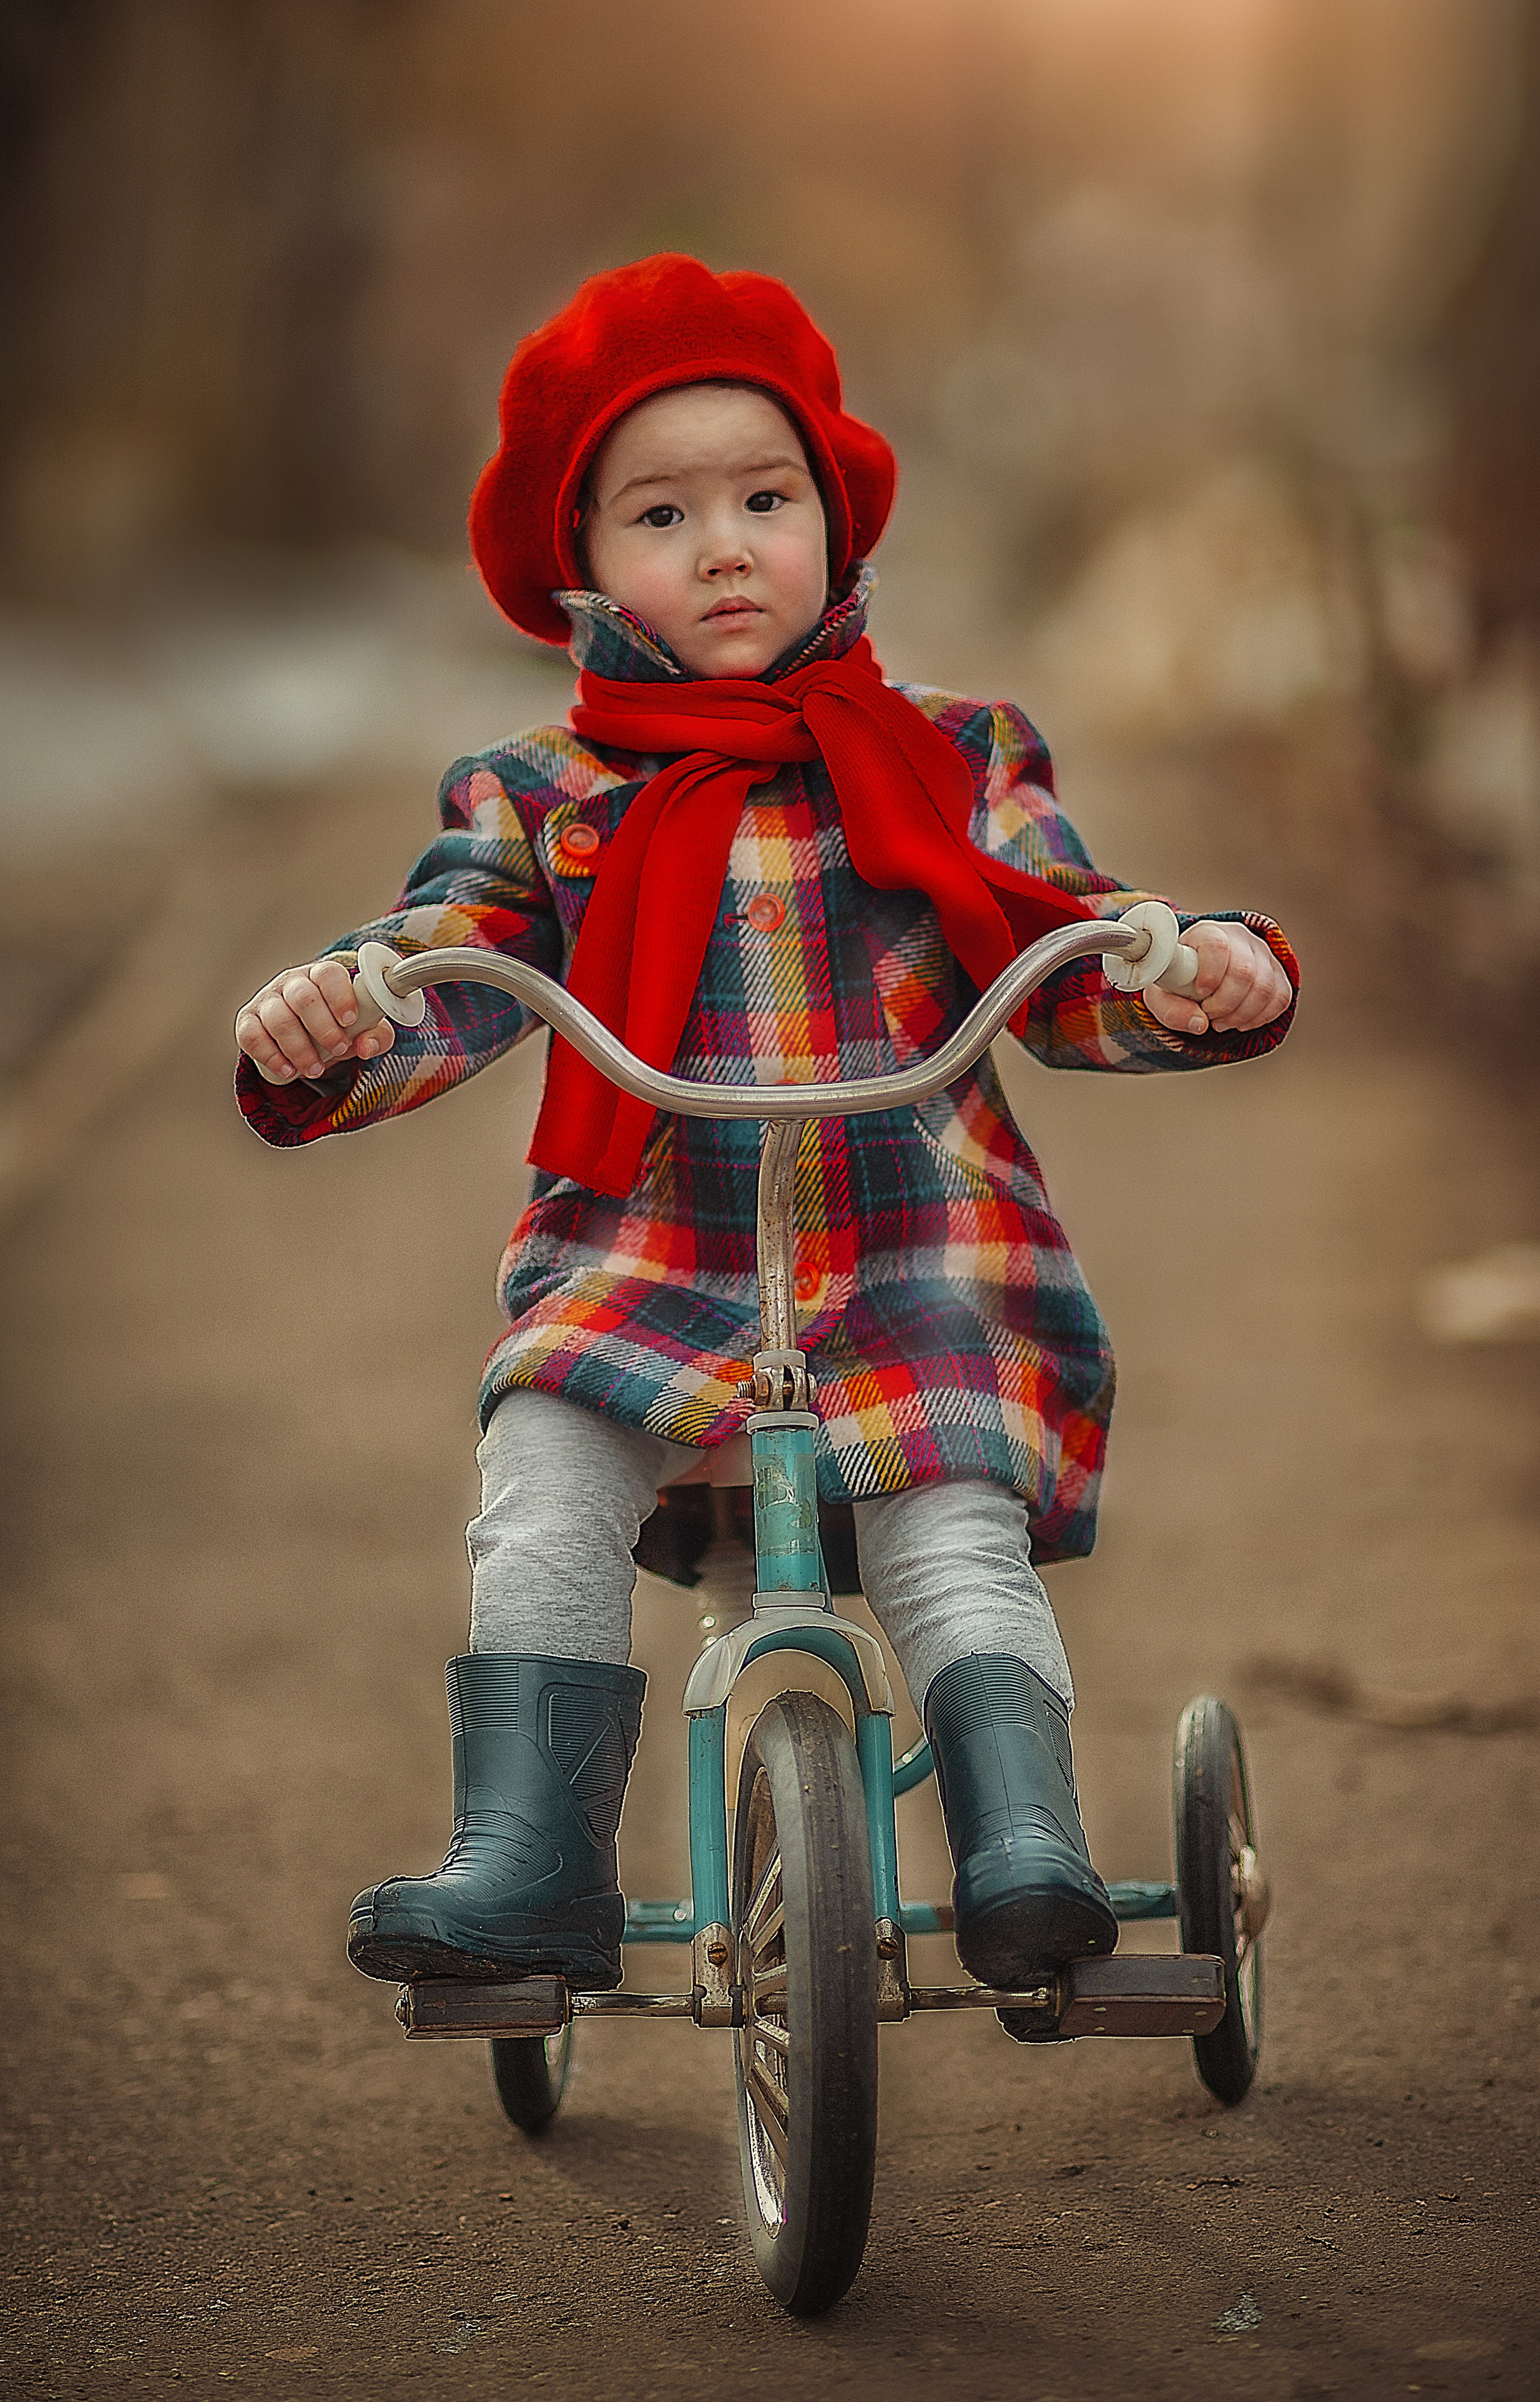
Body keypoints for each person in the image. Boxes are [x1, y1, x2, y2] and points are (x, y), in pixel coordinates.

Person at [235, 254, 1296, 2016]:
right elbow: (451, 957)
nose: (725, 547)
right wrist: (346, 1013)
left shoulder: (953, 756)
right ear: (584, 569)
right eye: (663, 515)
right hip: (645, 1259)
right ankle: (531, 1860)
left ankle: (1023, 1843)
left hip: (916, 1254)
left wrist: (1192, 968)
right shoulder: (543, 795)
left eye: (765, 498)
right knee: (541, 1480)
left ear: (833, 520)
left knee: (950, 1526)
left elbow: (1069, 939)